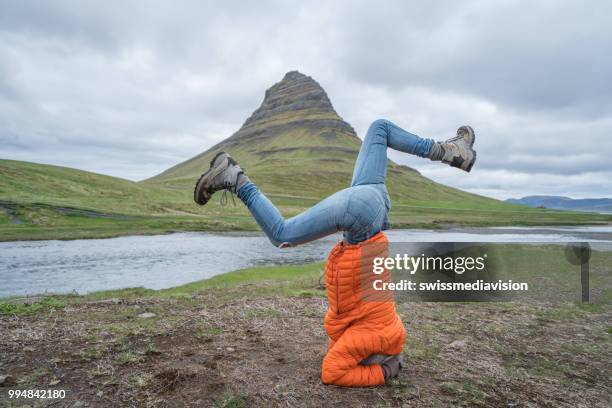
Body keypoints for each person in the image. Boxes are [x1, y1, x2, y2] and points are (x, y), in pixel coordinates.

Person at [193, 119, 476, 386]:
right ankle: (235, 177)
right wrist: (383, 372)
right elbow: (332, 373)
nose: (349, 353)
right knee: (282, 234)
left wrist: (385, 361)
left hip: (374, 198)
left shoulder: (388, 330)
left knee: (380, 129)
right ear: (372, 357)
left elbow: (339, 334)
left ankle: (451, 152)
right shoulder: (371, 338)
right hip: (361, 215)